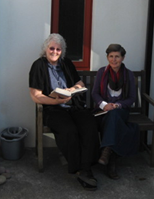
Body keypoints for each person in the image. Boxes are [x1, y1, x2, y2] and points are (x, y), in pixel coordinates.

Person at [29, 33, 100, 191]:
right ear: (45, 49)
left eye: (58, 49)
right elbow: (36, 95)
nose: (55, 51)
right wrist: (56, 100)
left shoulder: (67, 63)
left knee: (89, 125)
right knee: (69, 130)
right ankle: (81, 169)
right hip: (52, 109)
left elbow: (79, 82)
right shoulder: (38, 65)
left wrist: (71, 89)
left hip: (73, 105)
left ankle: (86, 165)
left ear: (62, 51)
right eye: (51, 48)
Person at [92, 44, 139, 180]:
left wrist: (117, 105)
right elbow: (95, 93)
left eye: (117, 57)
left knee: (114, 116)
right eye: (111, 56)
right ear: (107, 57)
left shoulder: (128, 74)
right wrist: (104, 105)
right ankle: (111, 159)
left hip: (121, 111)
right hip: (103, 111)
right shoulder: (102, 72)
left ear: (122, 58)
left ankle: (106, 150)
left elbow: (131, 98)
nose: (114, 60)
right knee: (111, 118)